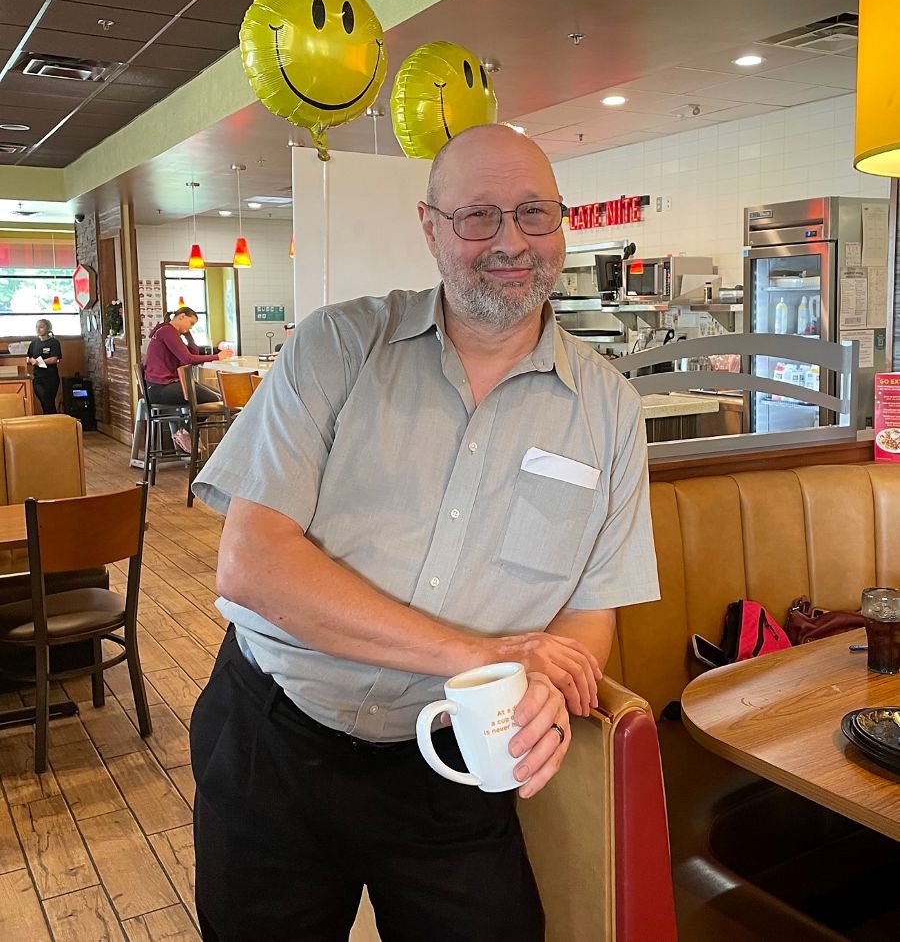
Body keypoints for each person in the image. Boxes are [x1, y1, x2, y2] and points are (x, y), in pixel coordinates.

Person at [191, 124, 660, 942]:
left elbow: (592, 606)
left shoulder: (612, 411)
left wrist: (549, 689)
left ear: (561, 222)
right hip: (277, 738)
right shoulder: (337, 346)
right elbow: (252, 563)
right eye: (478, 215)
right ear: (430, 226)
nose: (510, 241)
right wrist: (481, 655)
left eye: (533, 212)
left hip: (455, 760)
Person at [143, 306, 232, 453]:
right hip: (161, 388)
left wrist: (189, 336)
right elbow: (187, 359)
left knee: (218, 395)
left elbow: (191, 353)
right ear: (182, 316)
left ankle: (188, 433)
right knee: (212, 398)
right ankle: (186, 432)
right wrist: (217, 356)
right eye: (191, 323)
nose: (191, 327)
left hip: (163, 386)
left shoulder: (169, 332)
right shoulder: (167, 331)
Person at [27, 318, 62, 415]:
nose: (38, 329)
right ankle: (52, 420)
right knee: (44, 400)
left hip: (51, 378)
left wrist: (38, 362)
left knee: (48, 401)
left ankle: (52, 421)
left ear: (48, 328)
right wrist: (31, 360)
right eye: (37, 327)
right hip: (38, 378)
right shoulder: (34, 343)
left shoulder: (54, 342)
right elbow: (28, 358)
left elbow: (54, 359)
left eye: (41, 327)